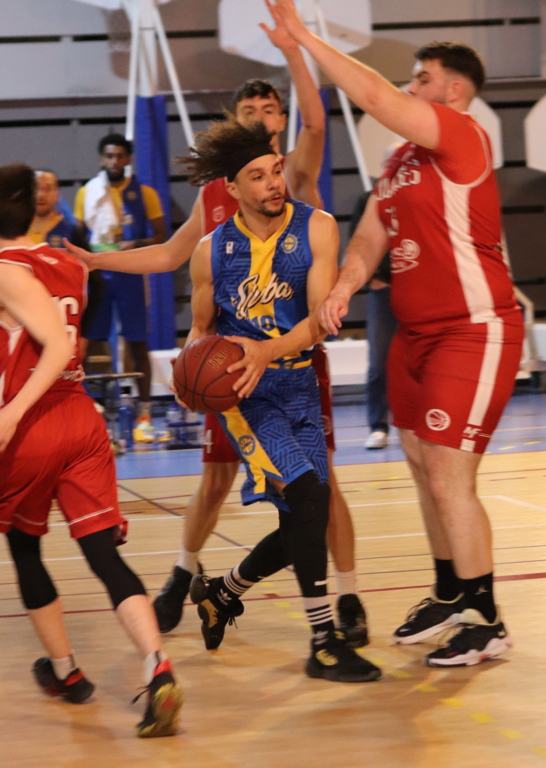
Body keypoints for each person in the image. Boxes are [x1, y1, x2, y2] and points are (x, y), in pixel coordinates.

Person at [65, 19, 368, 647]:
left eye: (269, 109)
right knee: (224, 483)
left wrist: (295, 49)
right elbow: (170, 258)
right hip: (235, 376)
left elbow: (315, 124)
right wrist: (96, 259)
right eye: (248, 111)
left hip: (295, 362)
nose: (261, 118)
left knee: (315, 496)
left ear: (280, 121)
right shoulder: (215, 217)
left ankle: (329, 595)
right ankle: (196, 580)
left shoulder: (299, 177)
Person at [268, 0, 524, 667]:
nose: (411, 87)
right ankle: (449, 590)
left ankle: (485, 617)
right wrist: (346, 285)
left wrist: (304, 39)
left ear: (454, 90)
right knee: (419, 462)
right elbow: (370, 237)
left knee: (448, 473)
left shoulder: (463, 134)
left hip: (473, 330)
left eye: (422, 79)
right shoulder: (402, 161)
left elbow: (377, 96)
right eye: (412, 79)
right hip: (415, 337)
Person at [182, 118, 380, 682]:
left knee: (306, 518)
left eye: (275, 171)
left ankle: (222, 592)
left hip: (297, 381)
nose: (274, 183)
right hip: (246, 396)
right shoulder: (210, 252)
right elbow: (200, 331)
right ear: (231, 188)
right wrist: (189, 372)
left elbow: (318, 322)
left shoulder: (316, 227)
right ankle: (323, 642)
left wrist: (268, 350)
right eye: (258, 176)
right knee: (310, 498)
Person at [0, 163, 182, 737]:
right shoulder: (70, 262)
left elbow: (48, 347)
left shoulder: (4, 269)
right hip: (82, 418)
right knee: (104, 557)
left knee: (25, 548)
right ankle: (158, 665)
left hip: (31, 422)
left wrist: (12, 411)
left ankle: (67, 672)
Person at [74, 133, 168, 435]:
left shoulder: (146, 193)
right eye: (109, 156)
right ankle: (86, 408)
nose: (114, 161)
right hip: (99, 276)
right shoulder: (86, 192)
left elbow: (162, 236)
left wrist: (135, 244)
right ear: (102, 159)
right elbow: (78, 235)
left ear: (128, 159)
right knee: (89, 342)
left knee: (138, 342)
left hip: (130, 273)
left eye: (119, 156)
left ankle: (144, 413)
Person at [349, 191, 397, 450]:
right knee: (379, 362)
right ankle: (378, 426)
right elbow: (358, 243)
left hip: (419, 288)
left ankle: (421, 423)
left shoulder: (419, 194)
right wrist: (374, 278)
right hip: (383, 291)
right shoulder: (369, 200)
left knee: (424, 361)